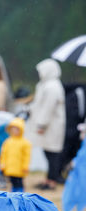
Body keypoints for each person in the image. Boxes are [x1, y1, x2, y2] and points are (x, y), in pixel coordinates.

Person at [27, 58, 66, 190]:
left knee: (53, 154)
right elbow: (39, 104)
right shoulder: (44, 85)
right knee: (47, 152)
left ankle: (52, 181)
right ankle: (48, 179)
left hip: (51, 125)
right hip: (46, 125)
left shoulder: (53, 86)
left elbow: (48, 108)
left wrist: (41, 125)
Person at [0, 118, 32, 192]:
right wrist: (2, 164)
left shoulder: (25, 143)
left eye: (17, 129)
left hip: (20, 169)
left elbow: (27, 156)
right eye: (12, 129)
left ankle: (20, 194)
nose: (14, 131)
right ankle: (13, 194)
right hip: (10, 168)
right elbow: (3, 154)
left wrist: (25, 166)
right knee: (12, 182)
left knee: (19, 182)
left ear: (21, 130)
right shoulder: (7, 142)